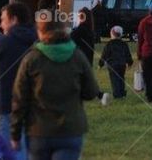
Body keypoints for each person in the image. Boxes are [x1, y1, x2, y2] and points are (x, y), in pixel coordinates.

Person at [11, 16, 101, 159]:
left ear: (40, 32)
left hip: (38, 130)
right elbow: (91, 92)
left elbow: (19, 99)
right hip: (70, 130)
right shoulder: (77, 56)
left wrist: (15, 134)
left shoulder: (31, 59)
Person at [0, 2, 36, 158]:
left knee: (12, 150)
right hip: (36, 106)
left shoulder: (0, 44)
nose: (0, 24)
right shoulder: (39, 42)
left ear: (13, 19)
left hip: (7, 105)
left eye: (3, 19)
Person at [99, 26, 133, 99]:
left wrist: (100, 64)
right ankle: (122, 93)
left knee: (115, 80)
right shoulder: (124, 44)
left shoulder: (109, 44)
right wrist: (130, 62)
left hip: (112, 65)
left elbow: (104, 55)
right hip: (122, 64)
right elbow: (128, 54)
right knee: (121, 78)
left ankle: (117, 94)